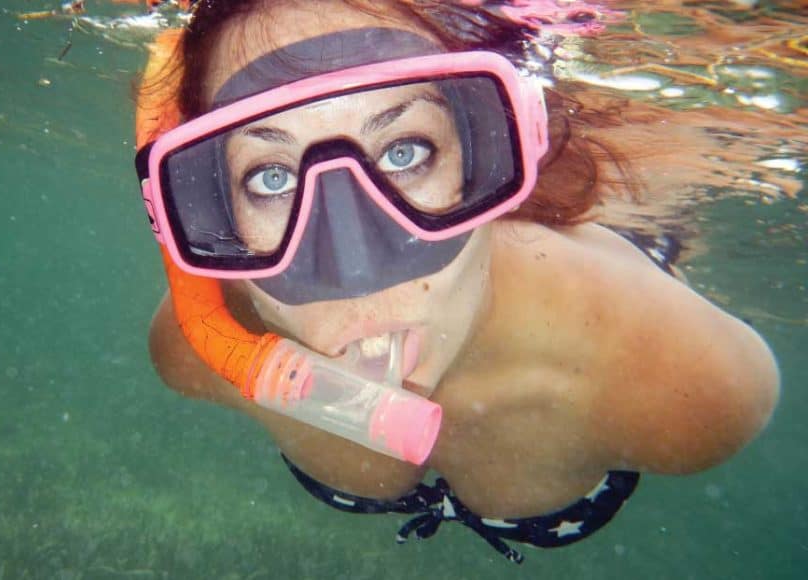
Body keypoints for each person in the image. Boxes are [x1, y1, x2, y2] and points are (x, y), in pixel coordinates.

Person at [131, 0, 779, 563]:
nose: (354, 267)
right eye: (270, 177)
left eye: (405, 152)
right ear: (211, 210)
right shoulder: (196, 351)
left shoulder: (691, 384)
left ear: (486, 149)